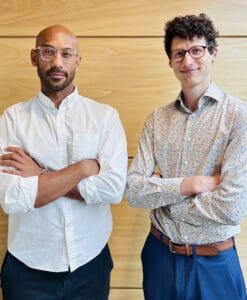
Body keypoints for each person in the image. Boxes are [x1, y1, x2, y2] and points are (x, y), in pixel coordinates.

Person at [0, 25, 127, 300]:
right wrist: (82, 169)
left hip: (90, 262)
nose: (57, 62)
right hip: (27, 268)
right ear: (34, 57)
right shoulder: (12, 120)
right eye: (48, 52)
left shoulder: (104, 117)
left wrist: (39, 175)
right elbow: (12, 198)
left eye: (67, 54)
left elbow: (113, 189)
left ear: (77, 61)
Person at [126, 13, 247, 300]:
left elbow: (231, 207)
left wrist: (163, 196)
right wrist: (191, 184)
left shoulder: (238, 117)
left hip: (213, 262)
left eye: (197, 50)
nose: (188, 61)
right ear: (170, 60)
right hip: (158, 256)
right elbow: (133, 191)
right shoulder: (157, 119)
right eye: (179, 53)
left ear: (213, 53)